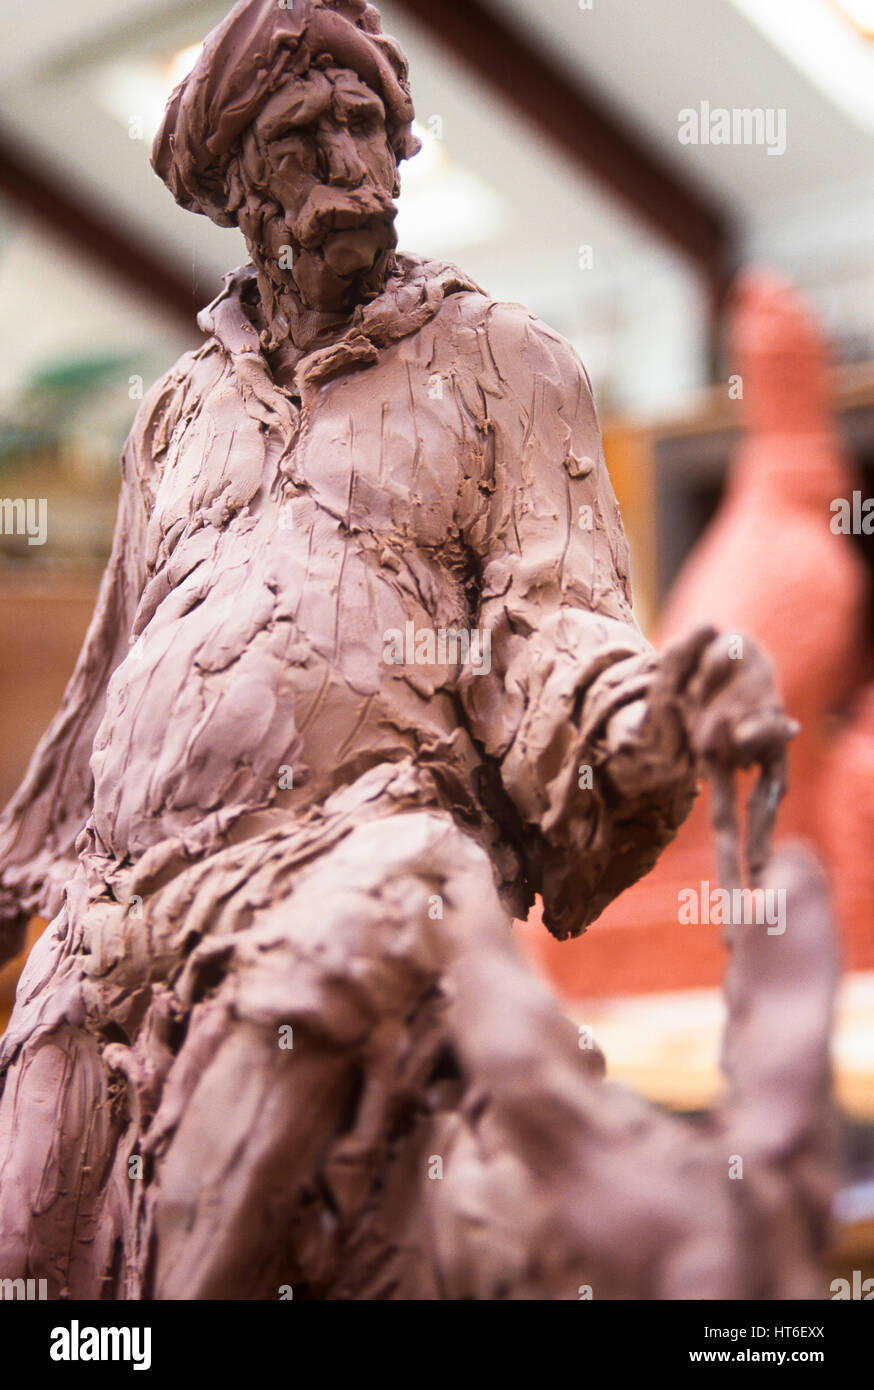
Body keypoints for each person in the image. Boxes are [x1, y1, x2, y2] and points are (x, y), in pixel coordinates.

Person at [0, 0, 818, 1300]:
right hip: (126, 890)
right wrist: (28, 864)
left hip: (359, 850)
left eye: (368, 123)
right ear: (234, 179)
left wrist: (628, 711)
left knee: (253, 1147)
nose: (355, 164)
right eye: (306, 134)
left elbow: (557, 612)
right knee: (34, 1216)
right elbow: (115, 655)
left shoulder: (505, 359)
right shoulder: (172, 409)